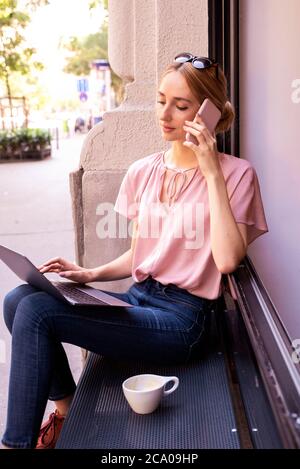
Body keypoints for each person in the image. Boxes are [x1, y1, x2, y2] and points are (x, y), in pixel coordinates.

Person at [1, 53, 268, 449]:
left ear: (209, 113)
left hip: (184, 321)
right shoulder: (143, 170)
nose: (166, 114)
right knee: (18, 298)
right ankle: (65, 412)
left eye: (181, 106)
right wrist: (88, 274)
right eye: (162, 100)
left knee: (38, 313)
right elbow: (141, 254)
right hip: (138, 299)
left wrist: (211, 170)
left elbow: (227, 260)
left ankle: (15, 445)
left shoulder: (236, 174)